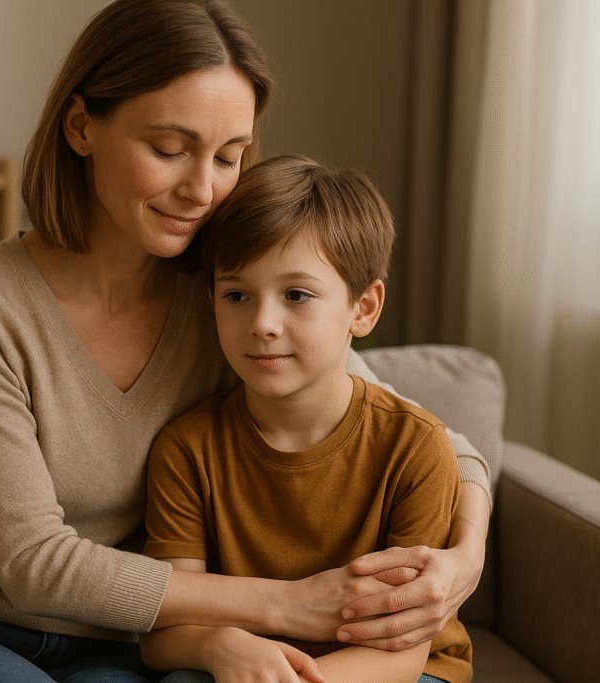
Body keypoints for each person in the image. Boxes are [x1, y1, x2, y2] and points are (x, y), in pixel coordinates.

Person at [0, 1, 490, 681]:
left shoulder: (230, 296)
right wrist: (289, 604)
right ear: (81, 127)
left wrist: (463, 559)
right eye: (170, 150)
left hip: (124, 644)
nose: (202, 189)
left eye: (229, 157)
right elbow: (33, 564)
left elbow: (431, 440)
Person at [139, 155, 471, 683]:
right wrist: (216, 645)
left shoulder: (416, 447)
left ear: (363, 308)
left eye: (296, 295)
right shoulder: (187, 448)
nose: (263, 324)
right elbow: (164, 632)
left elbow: (403, 651)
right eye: (236, 295)